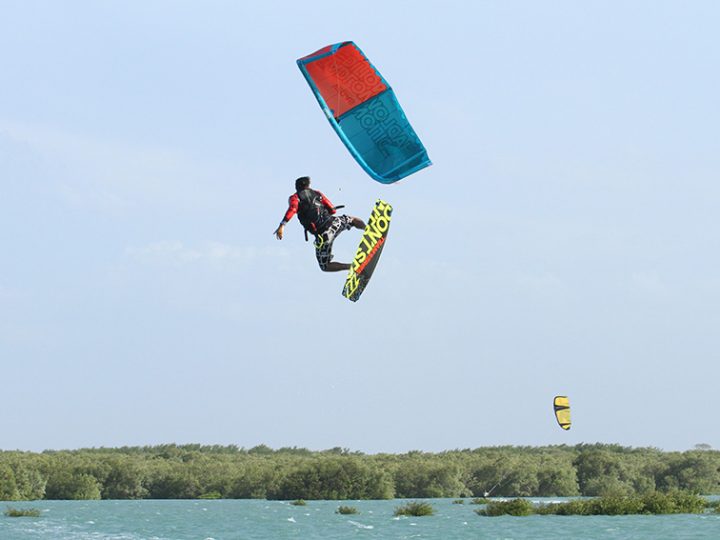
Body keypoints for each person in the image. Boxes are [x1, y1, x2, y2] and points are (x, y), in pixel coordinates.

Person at [274, 176, 365, 272]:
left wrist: (282, 225)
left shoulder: (295, 198)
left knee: (325, 266)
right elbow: (332, 210)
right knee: (352, 220)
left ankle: (352, 267)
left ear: (296, 187)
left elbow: (292, 209)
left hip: (323, 236)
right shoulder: (317, 193)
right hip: (335, 224)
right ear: (308, 185)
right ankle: (368, 229)